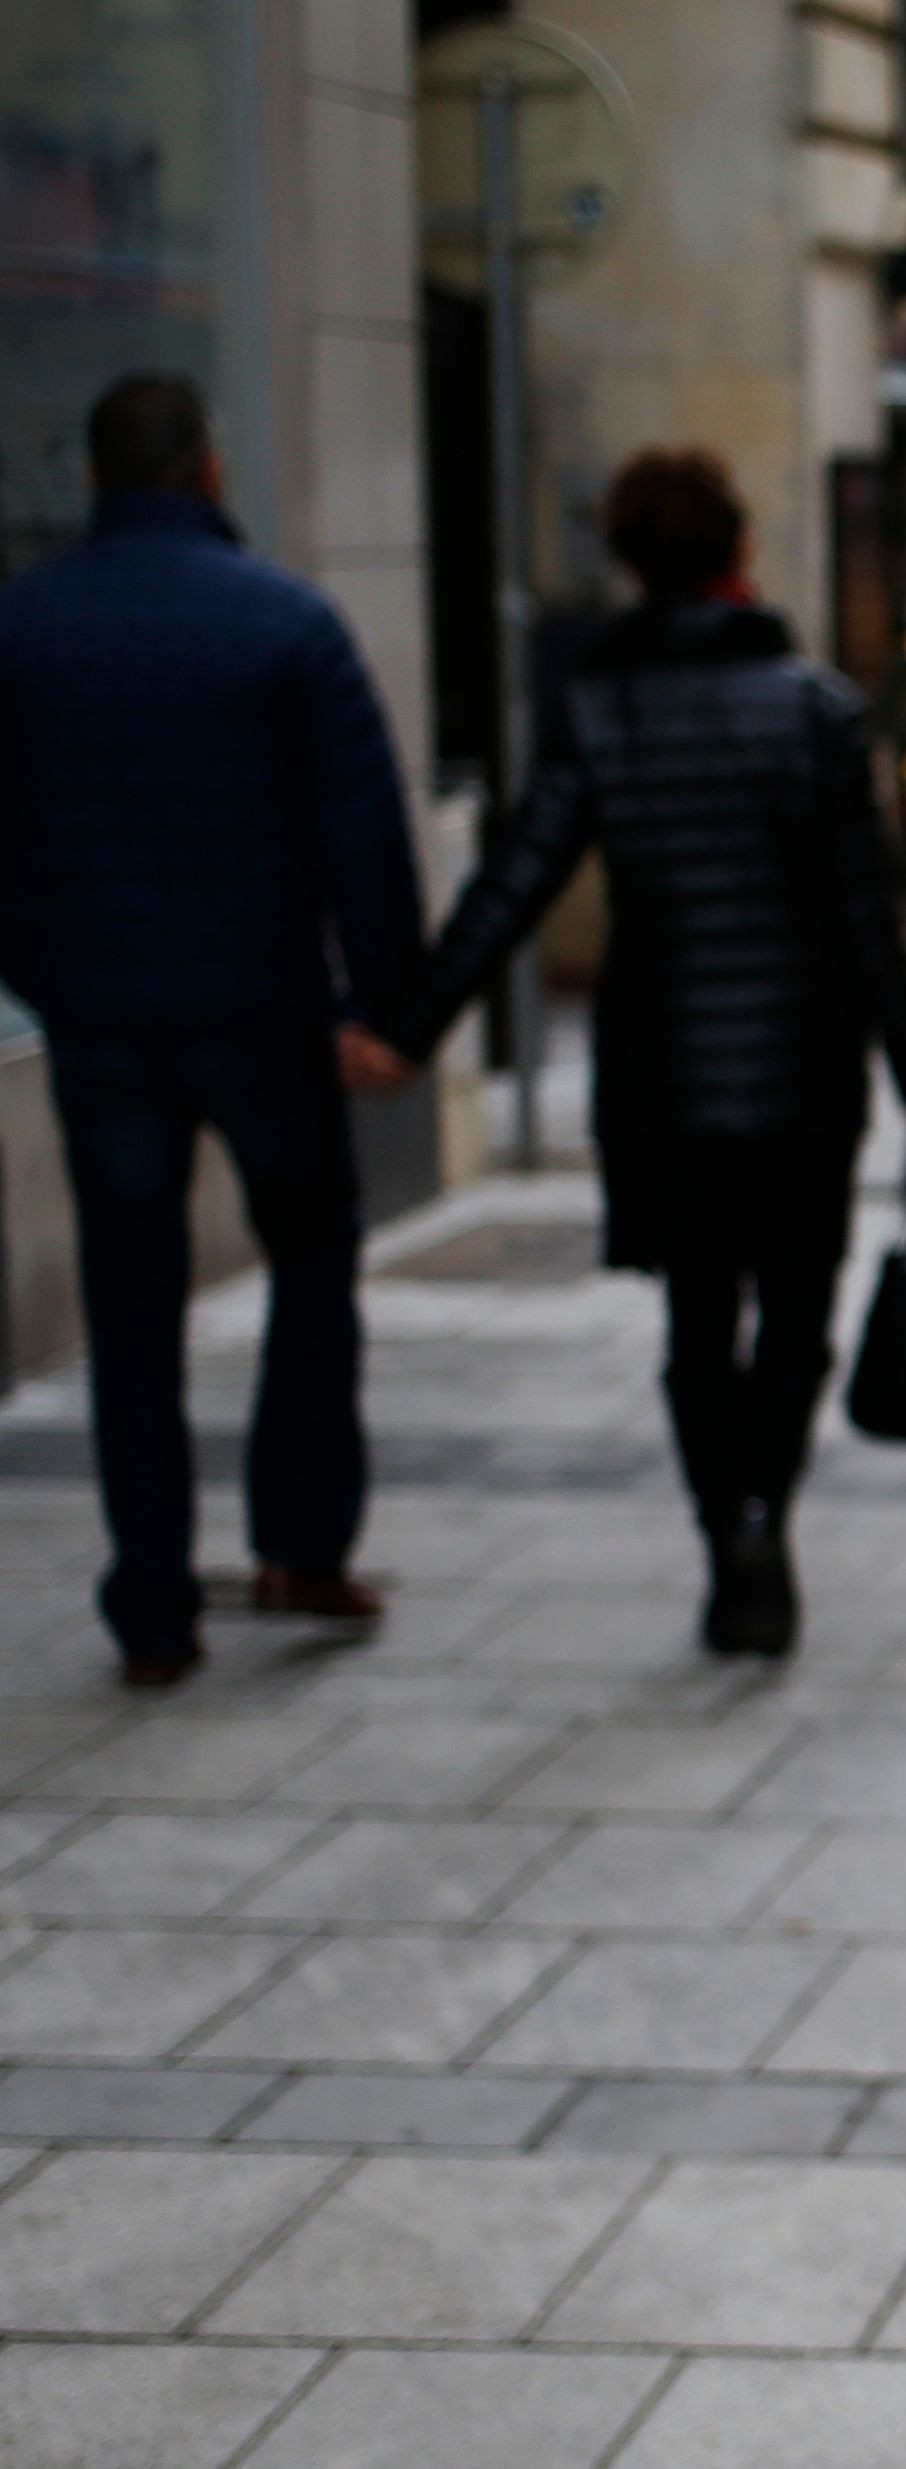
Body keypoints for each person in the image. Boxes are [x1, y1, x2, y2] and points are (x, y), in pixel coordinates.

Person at [361, 448, 906, 1658]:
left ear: (632, 567)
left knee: (695, 1323)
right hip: (799, 1077)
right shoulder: (817, 708)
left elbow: (514, 881)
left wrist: (410, 1025)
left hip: (663, 1081)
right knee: (795, 1315)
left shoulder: (600, 708)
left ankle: (717, 1536)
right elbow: (865, 915)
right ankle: (763, 1524)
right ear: (739, 555)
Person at [0, 373, 423, 1684]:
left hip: (104, 1025)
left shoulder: (24, 624)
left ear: (96, 478)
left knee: (132, 1307)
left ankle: (154, 1607)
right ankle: (300, 1540)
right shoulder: (285, 623)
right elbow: (365, 836)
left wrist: (49, 973)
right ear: (207, 471)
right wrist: (382, 1007)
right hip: (261, 1012)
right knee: (309, 1254)